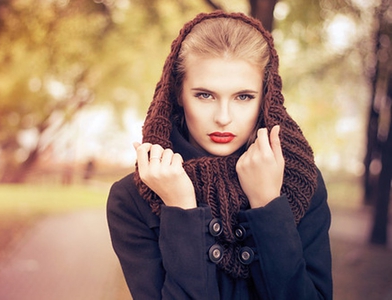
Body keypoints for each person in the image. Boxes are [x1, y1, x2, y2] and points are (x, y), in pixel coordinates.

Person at [107, 10, 332, 300]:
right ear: (177, 93)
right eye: (205, 95)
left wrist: (268, 205)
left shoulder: (301, 182)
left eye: (243, 97)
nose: (223, 118)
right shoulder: (134, 197)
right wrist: (181, 210)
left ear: (266, 97)